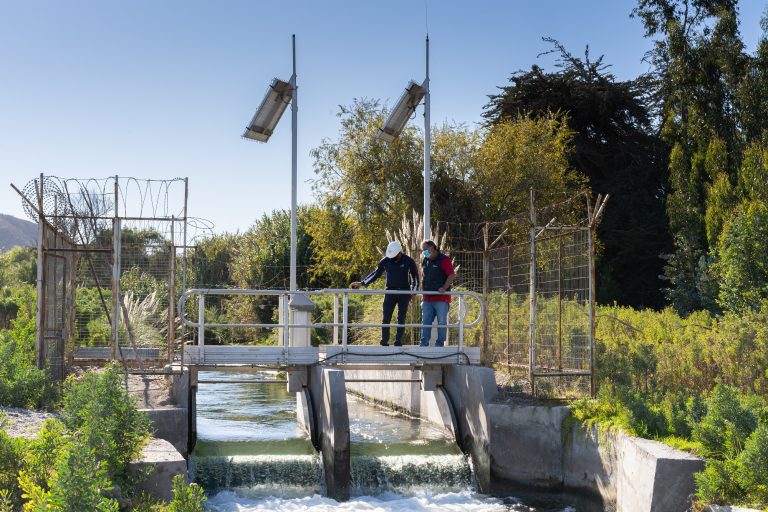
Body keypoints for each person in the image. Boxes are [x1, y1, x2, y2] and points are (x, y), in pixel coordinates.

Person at [350, 241, 420, 346]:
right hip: (389, 292)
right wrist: (362, 283)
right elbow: (375, 274)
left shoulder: (408, 261)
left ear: (399, 253)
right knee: (386, 317)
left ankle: (398, 341)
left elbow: (415, 277)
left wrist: (414, 291)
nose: (392, 257)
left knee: (401, 318)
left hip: (404, 292)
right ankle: (384, 340)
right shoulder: (385, 261)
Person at [419, 239, 455, 347]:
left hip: (441, 299)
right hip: (427, 299)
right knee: (425, 323)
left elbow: (451, 275)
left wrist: (444, 288)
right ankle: (423, 345)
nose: (423, 252)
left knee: (442, 322)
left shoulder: (444, 259)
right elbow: (424, 275)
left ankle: (440, 345)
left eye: (424, 250)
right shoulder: (425, 260)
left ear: (432, 248)